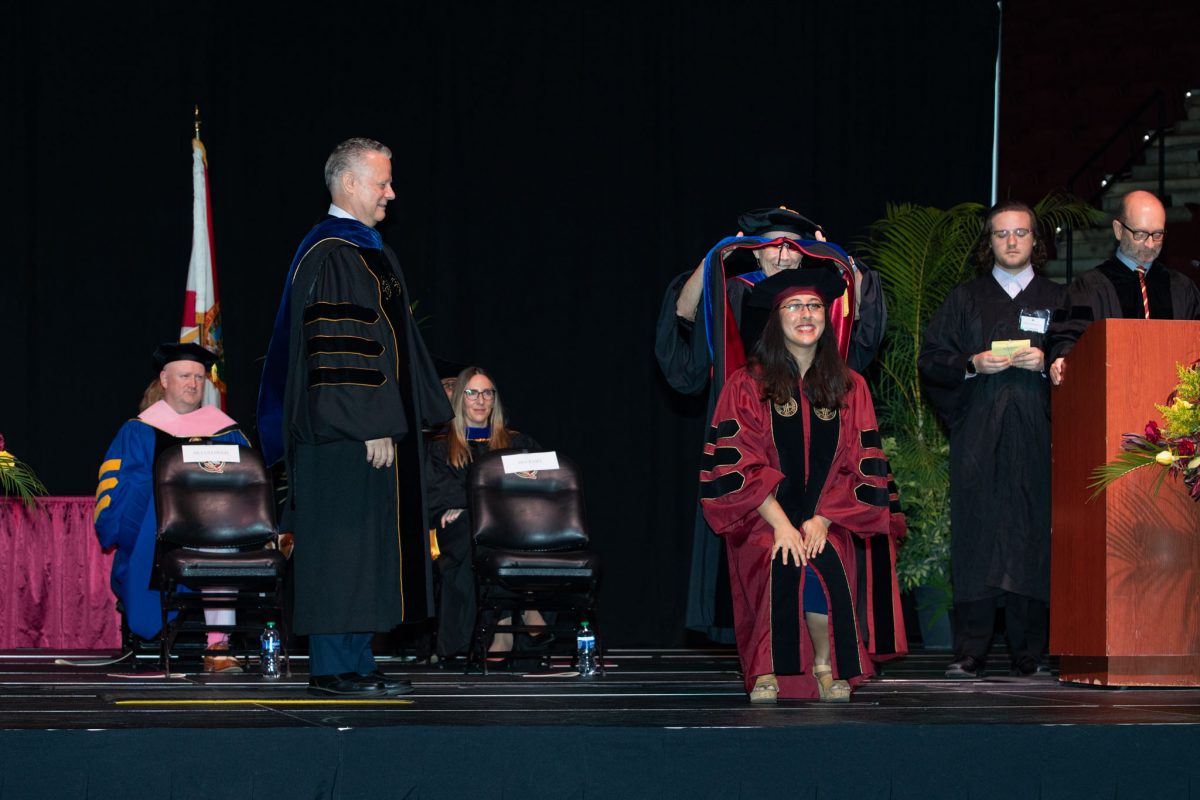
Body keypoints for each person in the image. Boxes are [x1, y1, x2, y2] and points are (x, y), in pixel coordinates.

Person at [257, 137, 452, 697]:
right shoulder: (335, 253)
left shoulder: (365, 250)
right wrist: (370, 420)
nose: (391, 192)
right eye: (381, 182)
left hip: (360, 428)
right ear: (347, 184)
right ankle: (333, 667)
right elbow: (341, 351)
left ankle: (357, 658)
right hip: (344, 431)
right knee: (342, 543)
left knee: (367, 543)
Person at [658, 206, 888, 642]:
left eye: (791, 246)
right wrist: (715, 258)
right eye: (770, 246)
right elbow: (682, 321)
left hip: (814, 430)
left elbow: (866, 327)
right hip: (746, 431)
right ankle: (761, 647)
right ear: (754, 252)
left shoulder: (822, 298)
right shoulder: (734, 291)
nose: (781, 255)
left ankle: (820, 653)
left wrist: (837, 255)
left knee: (819, 544)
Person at [699, 268, 906, 703]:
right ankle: (767, 668)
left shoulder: (851, 387)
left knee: (823, 555)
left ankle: (825, 664)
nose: (806, 314)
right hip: (761, 518)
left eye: (813, 306)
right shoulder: (747, 384)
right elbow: (738, 464)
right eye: (794, 307)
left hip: (835, 517)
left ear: (827, 318)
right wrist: (782, 524)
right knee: (782, 556)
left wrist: (824, 520)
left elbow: (863, 464)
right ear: (776, 319)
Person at [918, 200, 1064, 678]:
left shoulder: (1061, 299)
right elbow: (931, 357)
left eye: (1021, 233)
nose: (1012, 241)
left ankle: (1031, 653)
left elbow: (1084, 362)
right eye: (1002, 234)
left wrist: (1049, 364)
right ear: (989, 243)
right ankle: (970, 650)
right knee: (979, 535)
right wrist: (970, 364)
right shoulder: (965, 300)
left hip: (1039, 438)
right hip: (979, 439)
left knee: (1032, 536)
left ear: (1037, 242)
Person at [94, 342, 249, 672]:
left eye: (199, 376)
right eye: (184, 376)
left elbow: (248, 486)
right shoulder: (138, 430)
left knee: (224, 546)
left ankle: (217, 648)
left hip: (213, 534)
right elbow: (121, 490)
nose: (193, 383)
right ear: (164, 380)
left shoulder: (225, 430)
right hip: (156, 537)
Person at [425, 367, 544, 660]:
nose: (480, 400)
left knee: (496, 527)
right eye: (472, 393)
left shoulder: (518, 442)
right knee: (477, 531)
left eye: (487, 393)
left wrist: (472, 501)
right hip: (460, 531)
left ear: (495, 400)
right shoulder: (442, 447)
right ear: (459, 399)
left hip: (510, 525)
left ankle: (502, 627)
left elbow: (542, 487)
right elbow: (441, 495)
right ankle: (520, 611)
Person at [1046, 190, 1200, 386]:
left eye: (1158, 234)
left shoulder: (1181, 288)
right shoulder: (1088, 288)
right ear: (1119, 230)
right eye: (1141, 234)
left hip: (1173, 403)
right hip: (1111, 398)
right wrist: (1062, 357)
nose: (1150, 243)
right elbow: (1066, 338)